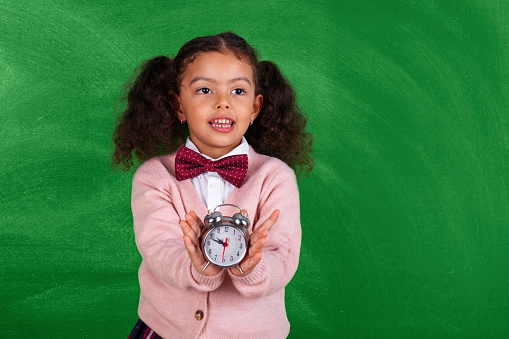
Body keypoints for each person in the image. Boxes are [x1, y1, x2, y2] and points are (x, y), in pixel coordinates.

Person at [112, 32, 313, 339]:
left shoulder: (276, 177)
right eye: (205, 90)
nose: (223, 103)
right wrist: (197, 268)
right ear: (177, 104)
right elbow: (159, 248)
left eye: (238, 91)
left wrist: (252, 267)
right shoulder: (154, 177)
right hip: (168, 330)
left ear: (255, 108)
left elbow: (282, 256)